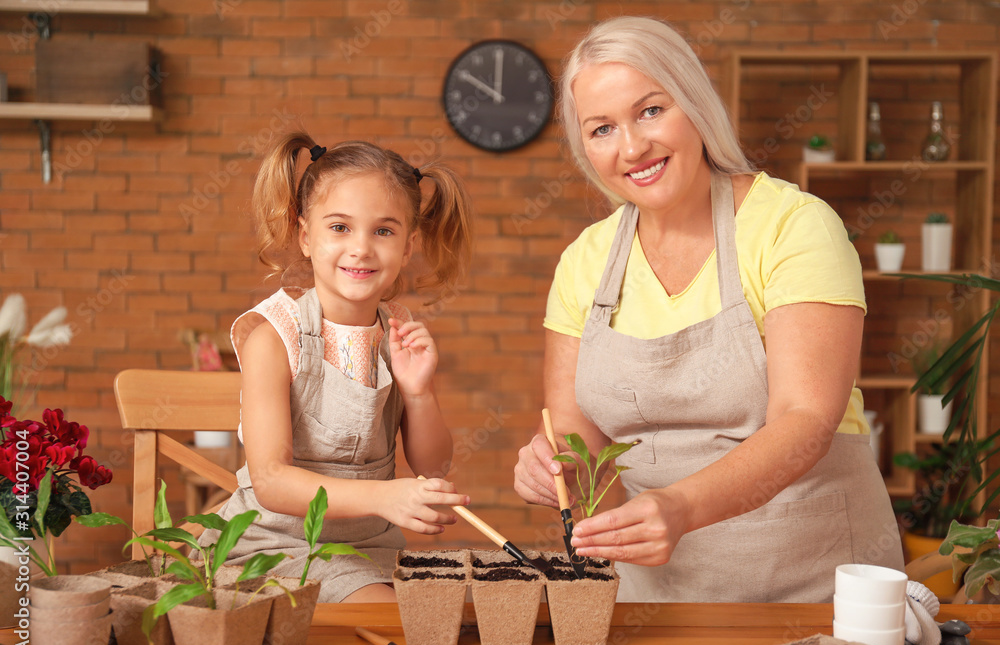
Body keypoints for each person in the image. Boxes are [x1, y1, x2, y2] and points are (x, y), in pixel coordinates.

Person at [513, 16, 904, 603]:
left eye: (651, 110)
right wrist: (557, 466)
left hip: (812, 586)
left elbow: (805, 421)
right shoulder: (584, 261)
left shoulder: (793, 226)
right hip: (657, 594)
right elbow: (577, 434)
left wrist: (678, 506)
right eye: (601, 129)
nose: (632, 147)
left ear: (694, 103)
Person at [202, 134, 474, 603]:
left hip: (373, 550)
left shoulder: (398, 334)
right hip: (276, 549)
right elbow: (270, 481)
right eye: (340, 228)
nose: (362, 248)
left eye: (383, 231)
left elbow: (434, 466)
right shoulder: (274, 336)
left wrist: (419, 393)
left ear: (408, 247)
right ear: (307, 237)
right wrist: (387, 498)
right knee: (398, 626)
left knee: (460, 619)